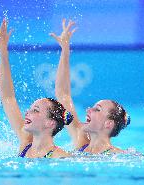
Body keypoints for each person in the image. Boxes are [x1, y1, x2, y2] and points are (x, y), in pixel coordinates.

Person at [0, 19, 73, 158]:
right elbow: (8, 98)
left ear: (50, 123)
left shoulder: (62, 157)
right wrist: (3, 52)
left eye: (35, 110)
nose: (27, 112)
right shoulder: (25, 145)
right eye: (32, 109)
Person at [51, 19, 130, 154]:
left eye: (97, 109)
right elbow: (62, 94)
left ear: (108, 124)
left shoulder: (118, 155)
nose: (88, 110)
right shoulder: (81, 140)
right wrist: (65, 50)